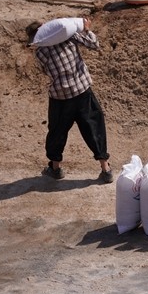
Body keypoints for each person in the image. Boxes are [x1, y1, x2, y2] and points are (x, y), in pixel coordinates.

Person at [27, 17, 113, 183]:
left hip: (60, 97)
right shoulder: (70, 36)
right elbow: (94, 44)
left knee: (57, 133)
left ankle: (55, 169)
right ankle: (106, 168)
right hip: (82, 91)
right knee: (94, 128)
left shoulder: (39, 53)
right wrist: (86, 29)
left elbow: (46, 71)